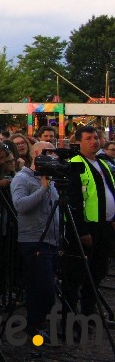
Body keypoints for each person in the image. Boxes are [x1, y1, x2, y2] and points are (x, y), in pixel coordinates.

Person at [63, 126, 115, 320]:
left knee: (97, 271)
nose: (94, 141)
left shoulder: (102, 163)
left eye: (95, 138)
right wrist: (82, 230)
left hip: (104, 225)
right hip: (86, 227)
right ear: (78, 142)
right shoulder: (75, 164)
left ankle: (88, 312)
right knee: (77, 274)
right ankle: (71, 317)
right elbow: (74, 201)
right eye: (88, 138)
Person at [11, 141, 59, 349]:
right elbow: (20, 205)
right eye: (50, 153)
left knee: (44, 288)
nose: (54, 158)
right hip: (33, 240)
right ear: (37, 154)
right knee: (43, 288)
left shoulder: (49, 178)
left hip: (51, 239)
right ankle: (34, 326)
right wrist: (43, 189)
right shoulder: (22, 178)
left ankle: (37, 325)